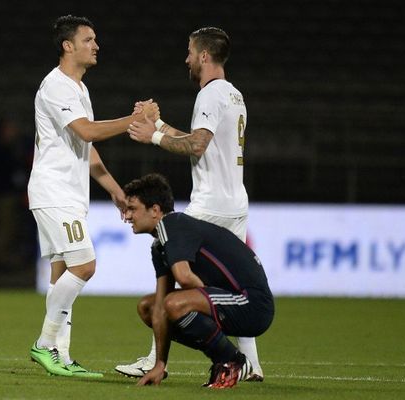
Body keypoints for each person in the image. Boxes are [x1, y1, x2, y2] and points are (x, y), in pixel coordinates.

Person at [117, 27, 265, 381]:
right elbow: (202, 140)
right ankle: (252, 364)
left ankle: (156, 359)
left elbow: (196, 147)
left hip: (209, 204)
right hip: (235, 203)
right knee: (235, 283)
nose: (186, 59)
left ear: (203, 56)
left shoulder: (209, 95)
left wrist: (151, 136)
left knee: (169, 267)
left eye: (189, 52)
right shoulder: (233, 94)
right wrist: (161, 123)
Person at [27, 15, 159, 379]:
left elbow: (86, 150)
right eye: (88, 39)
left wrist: (116, 191)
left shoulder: (79, 89)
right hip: (54, 192)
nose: (95, 45)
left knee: (60, 276)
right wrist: (134, 118)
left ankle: (61, 356)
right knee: (84, 266)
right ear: (68, 46)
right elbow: (86, 132)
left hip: (68, 193)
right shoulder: (56, 86)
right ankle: (44, 343)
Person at [122, 173, 274, 388]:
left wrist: (198, 302)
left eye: (132, 209)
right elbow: (159, 307)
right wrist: (159, 364)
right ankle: (226, 359)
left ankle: (233, 361)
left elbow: (184, 278)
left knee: (175, 305)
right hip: (229, 301)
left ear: (155, 210)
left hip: (253, 303)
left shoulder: (172, 224)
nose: (127, 216)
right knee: (149, 306)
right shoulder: (159, 244)